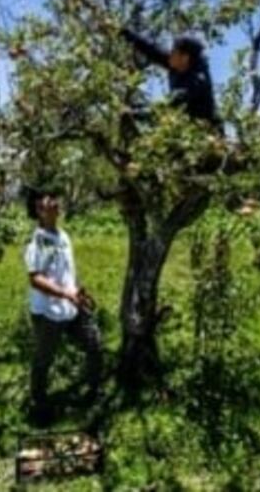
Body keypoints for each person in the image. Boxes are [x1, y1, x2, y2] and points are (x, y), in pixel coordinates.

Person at [23, 188, 102, 424]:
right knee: (43, 361)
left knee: (94, 344)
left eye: (55, 199)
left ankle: (92, 391)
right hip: (48, 314)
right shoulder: (38, 241)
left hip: (71, 307)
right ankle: (39, 405)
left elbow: (66, 272)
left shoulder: (63, 236)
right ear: (40, 210)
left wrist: (78, 291)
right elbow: (35, 279)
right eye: (50, 201)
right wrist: (65, 294)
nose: (56, 203)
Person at [119, 27, 221, 131]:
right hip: (185, 124)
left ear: (185, 57)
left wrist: (135, 114)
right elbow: (152, 50)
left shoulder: (196, 81)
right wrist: (129, 34)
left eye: (173, 51)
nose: (170, 54)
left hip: (204, 132)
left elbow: (169, 105)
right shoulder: (179, 63)